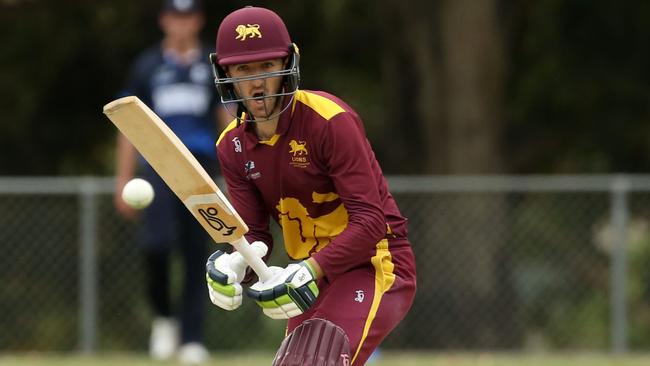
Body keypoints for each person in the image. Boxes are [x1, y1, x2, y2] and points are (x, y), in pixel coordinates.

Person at [205, 6, 417, 365]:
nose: (257, 82)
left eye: (267, 67)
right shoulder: (232, 145)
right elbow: (256, 232)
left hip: (377, 264)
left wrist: (309, 270)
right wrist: (237, 262)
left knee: (316, 359)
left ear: (287, 66)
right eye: (244, 69)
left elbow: (370, 222)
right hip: (309, 276)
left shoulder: (330, 121)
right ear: (226, 74)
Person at [113, 0, 227, 364]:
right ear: (164, 21)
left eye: (188, 16)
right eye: (174, 16)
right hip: (158, 169)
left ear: (198, 20)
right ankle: (164, 318)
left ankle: (192, 337)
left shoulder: (211, 64)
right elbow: (127, 125)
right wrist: (123, 179)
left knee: (197, 253)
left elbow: (225, 118)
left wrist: (235, 175)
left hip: (202, 167)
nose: (181, 24)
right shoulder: (147, 66)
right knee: (156, 245)